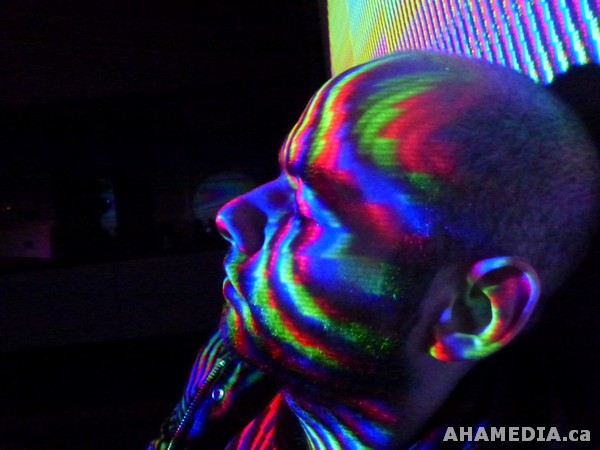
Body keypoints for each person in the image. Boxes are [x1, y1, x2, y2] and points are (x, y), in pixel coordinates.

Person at [149, 51, 600, 449]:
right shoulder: (248, 358)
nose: (230, 215)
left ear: (472, 312)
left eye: (308, 206)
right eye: (282, 177)